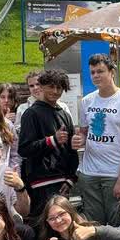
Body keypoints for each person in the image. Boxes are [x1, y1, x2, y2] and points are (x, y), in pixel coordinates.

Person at [71, 54, 120, 225]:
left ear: (112, 72)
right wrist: (78, 140)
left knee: (116, 223)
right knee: (93, 224)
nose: (95, 76)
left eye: (100, 71)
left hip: (113, 173)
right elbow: (84, 133)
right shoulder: (87, 101)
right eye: (92, 72)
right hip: (89, 172)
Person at [17, 69, 79, 224]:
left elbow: (72, 151)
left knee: (63, 227)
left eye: (59, 88)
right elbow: (24, 149)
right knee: (43, 228)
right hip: (40, 184)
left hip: (62, 183)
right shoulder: (31, 114)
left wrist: (70, 179)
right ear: (42, 86)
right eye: (51, 86)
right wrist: (52, 140)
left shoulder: (64, 114)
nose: (55, 91)